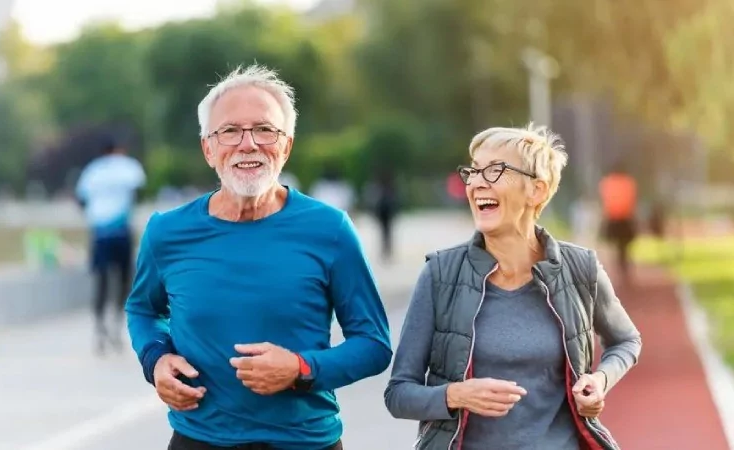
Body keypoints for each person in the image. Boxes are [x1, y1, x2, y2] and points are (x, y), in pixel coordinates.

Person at [125, 65, 392, 450]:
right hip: (197, 440)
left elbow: (373, 343)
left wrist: (301, 369)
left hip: (304, 443)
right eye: (230, 131)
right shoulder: (166, 232)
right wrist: (155, 359)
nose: (247, 144)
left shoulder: (330, 229)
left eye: (265, 130)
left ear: (286, 145)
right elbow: (144, 310)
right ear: (208, 149)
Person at [384, 124, 642, 450]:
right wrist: (454, 394)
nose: (476, 182)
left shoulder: (580, 268)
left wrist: (599, 381)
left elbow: (626, 341)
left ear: (536, 190)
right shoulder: (440, 274)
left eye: (494, 171)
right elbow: (398, 394)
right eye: (473, 172)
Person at [75, 138, 146, 355]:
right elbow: (138, 192)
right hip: (121, 231)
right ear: (118, 150)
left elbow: (81, 200)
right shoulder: (129, 166)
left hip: (99, 233)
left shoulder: (91, 171)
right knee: (124, 280)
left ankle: (99, 327)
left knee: (101, 280)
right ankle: (117, 324)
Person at [598, 163, 638, 284]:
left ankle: (619, 266)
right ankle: (624, 266)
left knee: (617, 247)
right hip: (626, 219)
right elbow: (632, 200)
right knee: (624, 247)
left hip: (613, 219)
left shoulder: (607, 182)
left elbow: (605, 201)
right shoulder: (629, 182)